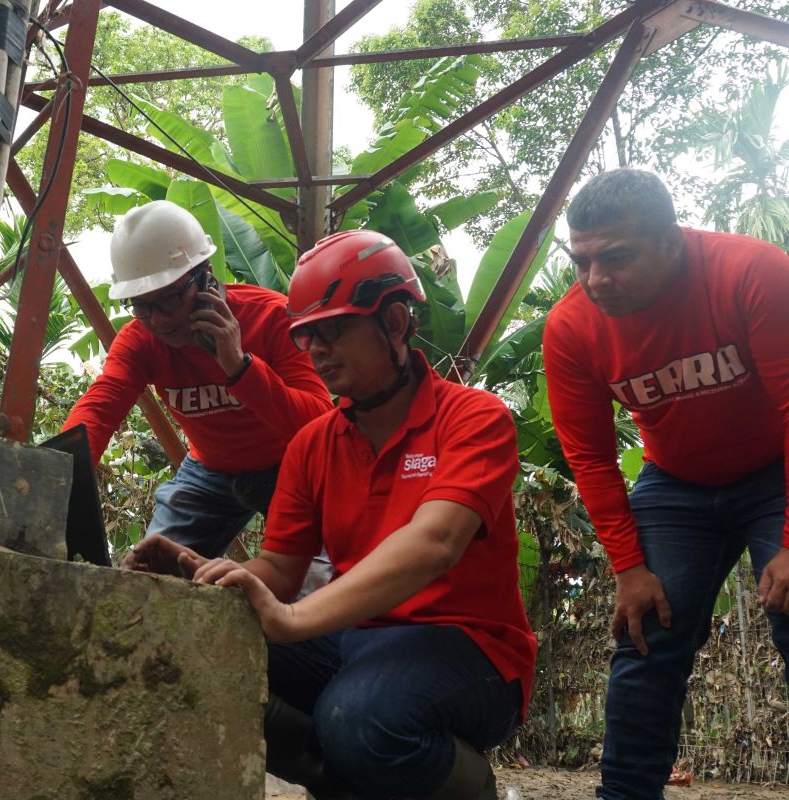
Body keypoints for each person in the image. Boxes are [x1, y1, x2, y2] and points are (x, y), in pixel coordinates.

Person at [126, 230, 536, 800]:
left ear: (394, 322)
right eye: (305, 335)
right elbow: (279, 570)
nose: (315, 350)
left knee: (358, 719)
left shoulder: (473, 417)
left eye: (332, 330)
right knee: (196, 642)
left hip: (472, 651)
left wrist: (294, 620)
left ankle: (477, 791)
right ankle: (353, 783)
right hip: (360, 641)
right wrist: (201, 574)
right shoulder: (313, 444)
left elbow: (435, 543)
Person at [542, 168, 789, 800]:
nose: (597, 281)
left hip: (775, 471)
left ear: (672, 242)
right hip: (676, 482)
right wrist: (628, 567)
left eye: (617, 259)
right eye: (582, 262)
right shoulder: (572, 329)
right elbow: (592, 459)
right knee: (646, 631)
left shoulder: (753, 272)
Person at [64, 200, 334, 562]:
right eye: (141, 306)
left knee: (320, 580)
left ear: (206, 278)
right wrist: (61, 476)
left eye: (169, 300)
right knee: (149, 571)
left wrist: (239, 367)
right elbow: (99, 409)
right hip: (208, 471)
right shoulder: (140, 340)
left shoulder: (271, 317)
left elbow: (319, 423)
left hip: (290, 465)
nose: (158, 320)